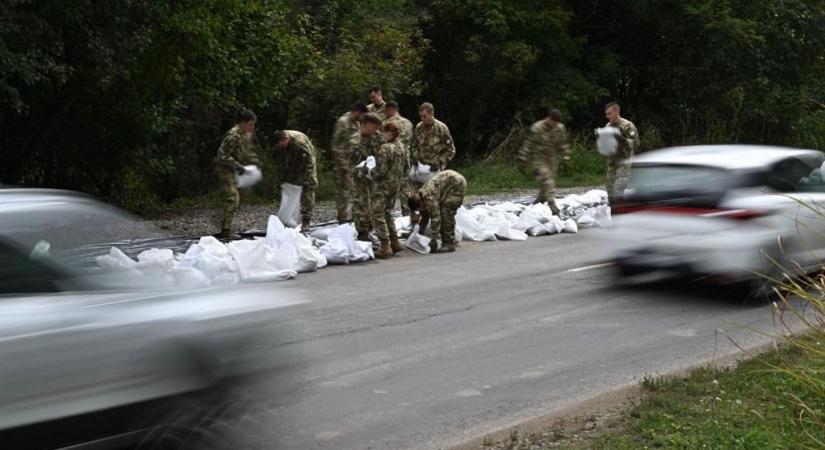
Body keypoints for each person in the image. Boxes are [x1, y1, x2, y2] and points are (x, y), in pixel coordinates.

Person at [354, 122, 407, 258]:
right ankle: (395, 242)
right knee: (387, 213)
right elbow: (407, 166)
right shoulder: (401, 147)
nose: (381, 135)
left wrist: (366, 171)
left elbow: (380, 171)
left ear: (389, 133)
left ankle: (385, 245)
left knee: (376, 214)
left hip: (382, 187)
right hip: (394, 186)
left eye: (383, 132)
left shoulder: (385, 148)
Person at [213, 110, 260, 240]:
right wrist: (238, 166)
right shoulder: (233, 135)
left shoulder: (241, 134)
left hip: (231, 169)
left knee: (233, 198)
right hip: (224, 169)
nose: (252, 127)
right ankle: (225, 230)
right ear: (243, 123)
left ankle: (225, 227)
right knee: (233, 198)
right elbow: (222, 156)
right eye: (250, 124)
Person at [517, 108, 571, 216]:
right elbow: (528, 145)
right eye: (553, 122)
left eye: (556, 123)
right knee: (548, 182)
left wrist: (566, 156)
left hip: (552, 160)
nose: (554, 125)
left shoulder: (559, 128)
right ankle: (552, 206)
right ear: (548, 118)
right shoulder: (537, 128)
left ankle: (538, 203)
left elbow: (562, 143)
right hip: (539, 160)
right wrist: (523, 159)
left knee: (544, 188)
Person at [410, 102, 456, 224]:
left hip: (433, 171)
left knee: (431, 199)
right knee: (415, 198)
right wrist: (414, 156)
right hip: (419, 170)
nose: (422, 119)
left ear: (431, 113)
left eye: (424, 116)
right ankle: (416, 225)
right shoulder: (419, 127)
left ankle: (435, 225)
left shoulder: (441, 128)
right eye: (421, 116)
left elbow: (451, 150)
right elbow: (414, 145)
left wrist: (440, 162)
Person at [408, 169, 467, 254]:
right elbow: (425, 216)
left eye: (419, 209)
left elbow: (436, 220)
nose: (420, 211)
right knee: (443, 210)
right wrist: (420, 231)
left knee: (446, 212)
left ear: (420, 204)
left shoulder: (429, 198)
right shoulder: (421, 197)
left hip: (456, 184)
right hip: (448, 184)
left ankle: (449, 243)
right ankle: (450, 238)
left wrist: (433, 240)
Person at [349, 113, 386, 240]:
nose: (375, 130)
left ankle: (371, 229)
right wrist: (362, 168)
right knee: (361, 204)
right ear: (363, 124)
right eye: (373, 126)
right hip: (359, 178)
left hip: (374, 177)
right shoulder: (354, 141)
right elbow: (350, 165)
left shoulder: (377, 137)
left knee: (375, 204)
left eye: (376, 127)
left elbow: (382, 152)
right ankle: (362, 232)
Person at [273, 130, 317, 232]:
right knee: (288, 187)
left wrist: (308, 178)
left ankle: (306, 220)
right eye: (279, 144)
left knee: (308, 189)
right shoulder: (279, 147)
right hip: (292, 162)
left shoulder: (300, 143)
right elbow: (280, 164)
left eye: (282, 143)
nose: (281, 145)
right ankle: (288, 218)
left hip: (306, 160)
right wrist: (281, 179)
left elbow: (309, 162)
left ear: (286, 139)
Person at [331, 102, 368, 223]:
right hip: (343, 164)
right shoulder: (343, 122)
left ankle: (353, 216)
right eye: (362, 115)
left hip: (354, 163)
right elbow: (335, 146)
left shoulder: (356, 123)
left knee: (354, 190)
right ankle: (342, 218)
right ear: (357, 111)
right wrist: (343, 165)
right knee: (343, 192)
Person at [603, 102, 639, 204]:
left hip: (624, 161)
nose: (607, 116)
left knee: (618, 188)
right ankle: (613, 211)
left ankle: (621, 213)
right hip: (612, 161)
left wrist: (621, 141)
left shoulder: (627, 126)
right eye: (606, 114)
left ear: (616, 112)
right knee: (609, 187)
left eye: (609, 114)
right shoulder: (608, 126)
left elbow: (635, 143)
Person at [383, 101, 414, 215]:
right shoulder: (408, 123)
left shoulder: (386, 123)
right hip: (406, 157)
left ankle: (387, 210)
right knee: (404, 184)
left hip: (392, 158)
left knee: (390, 184)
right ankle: (406, 209)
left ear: (390, 109)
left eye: (386, 110)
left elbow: (383, 141)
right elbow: (410, 141)